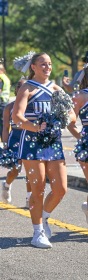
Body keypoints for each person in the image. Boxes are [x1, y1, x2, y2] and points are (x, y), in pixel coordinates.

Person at [12, 52, 76, 248]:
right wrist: (36, 127)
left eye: (49, 64)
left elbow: (72, 116)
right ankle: (37, 232)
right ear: (33, 67)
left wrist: (64, 117)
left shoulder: (57, 89)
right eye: (42, 64)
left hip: (54, 143)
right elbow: (17, 116)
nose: (47, 67)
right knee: (38, 188)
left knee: (60, 189)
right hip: (32, 143)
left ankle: (44, 217)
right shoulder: (27, 88)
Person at [1, 78, 32, 207]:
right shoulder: (9, 107)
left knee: (31, 171)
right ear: (16, 89)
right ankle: (6, 185)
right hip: (15, 139)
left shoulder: (32, 106)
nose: (21, 88)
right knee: (15, 170)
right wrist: (5, 145)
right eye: (19, 85)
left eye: (25, 86)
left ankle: (29, 199)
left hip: (30, 138)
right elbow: (5, 128)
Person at [67, 65, 88, 224]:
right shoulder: (81, 95)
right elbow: (70, 122)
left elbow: (70, 123)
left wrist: (83, 138)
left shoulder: (79, 95)